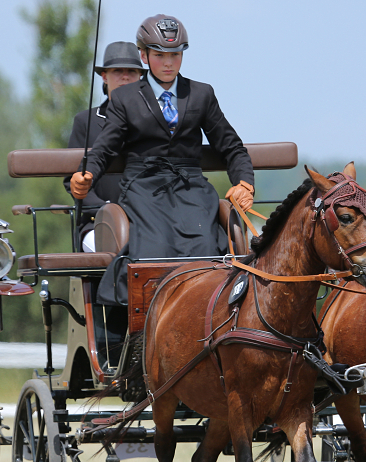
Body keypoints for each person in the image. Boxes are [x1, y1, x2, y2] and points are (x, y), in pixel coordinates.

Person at [70, 14, 255, 313]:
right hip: (144, 187)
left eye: (175, 55)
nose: (168, 63)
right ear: (144, 55)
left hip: (191, 187)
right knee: (154, 251)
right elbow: (106, 146)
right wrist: (88, 172)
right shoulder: (126, 98)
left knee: (206, 246)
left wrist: (245, 183)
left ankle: (210, 316)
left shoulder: (201, 94)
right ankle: (148, 324)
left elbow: (231, 145)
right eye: (160, 55)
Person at [64, 41, 144, 251]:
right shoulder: (86, 122)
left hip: (148, 220)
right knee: (121, 249)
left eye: (132, 71)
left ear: (141, 78)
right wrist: (107, 208)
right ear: (105, 76)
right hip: (97, 222)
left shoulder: (153, 122)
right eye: (118, 71)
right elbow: (71, 180)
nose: (125, 77)